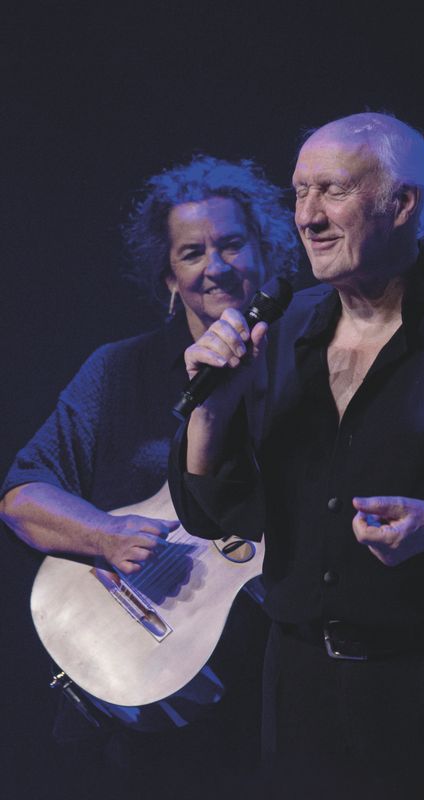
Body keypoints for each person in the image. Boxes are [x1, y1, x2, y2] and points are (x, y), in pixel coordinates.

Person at [168, 114, 424, 799]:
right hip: (303, 695)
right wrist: (212, 408)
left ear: (402, 204)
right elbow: (220, 517)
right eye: (300, 192)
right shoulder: (281, 331)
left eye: (333, 190)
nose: (308, 216)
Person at [0, 154, 298, 798]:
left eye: (232, 244)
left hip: (266, 699)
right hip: (135, 715)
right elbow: (22, 494)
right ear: (169, 276)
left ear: (265, 252)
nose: (215, 266)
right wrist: (103, 534)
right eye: (192, 253)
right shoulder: (119, 371)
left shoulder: (314, 371)